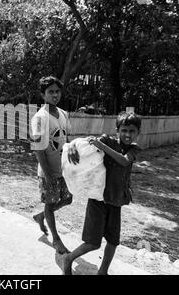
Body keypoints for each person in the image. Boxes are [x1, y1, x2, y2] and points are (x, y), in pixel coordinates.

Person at [64, 111, 141, 275]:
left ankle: (103, 271)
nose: (127, 134)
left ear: (138, 133)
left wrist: (103, 147)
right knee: (93, 243)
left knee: (113, 241)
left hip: (116, 200)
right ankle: (69, 258)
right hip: (98, 199)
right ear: (117, 130)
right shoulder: (107, 140)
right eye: (124, 130)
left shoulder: (133, 150)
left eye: (132, 131)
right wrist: (72, 146)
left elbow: (124, 161)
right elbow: (86, 141)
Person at [30, 76, 73, 254]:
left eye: (57, 91)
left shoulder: (63, 114)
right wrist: (47, 173)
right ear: (43, 95)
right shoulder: (40, 118)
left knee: (68, 199)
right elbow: (38, 149)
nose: (55, 95)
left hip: (63, 168)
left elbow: (66, 139)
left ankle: (41, 217)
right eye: (50, 92)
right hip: (48, 170)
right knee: (50, 204)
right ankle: (56, 240)